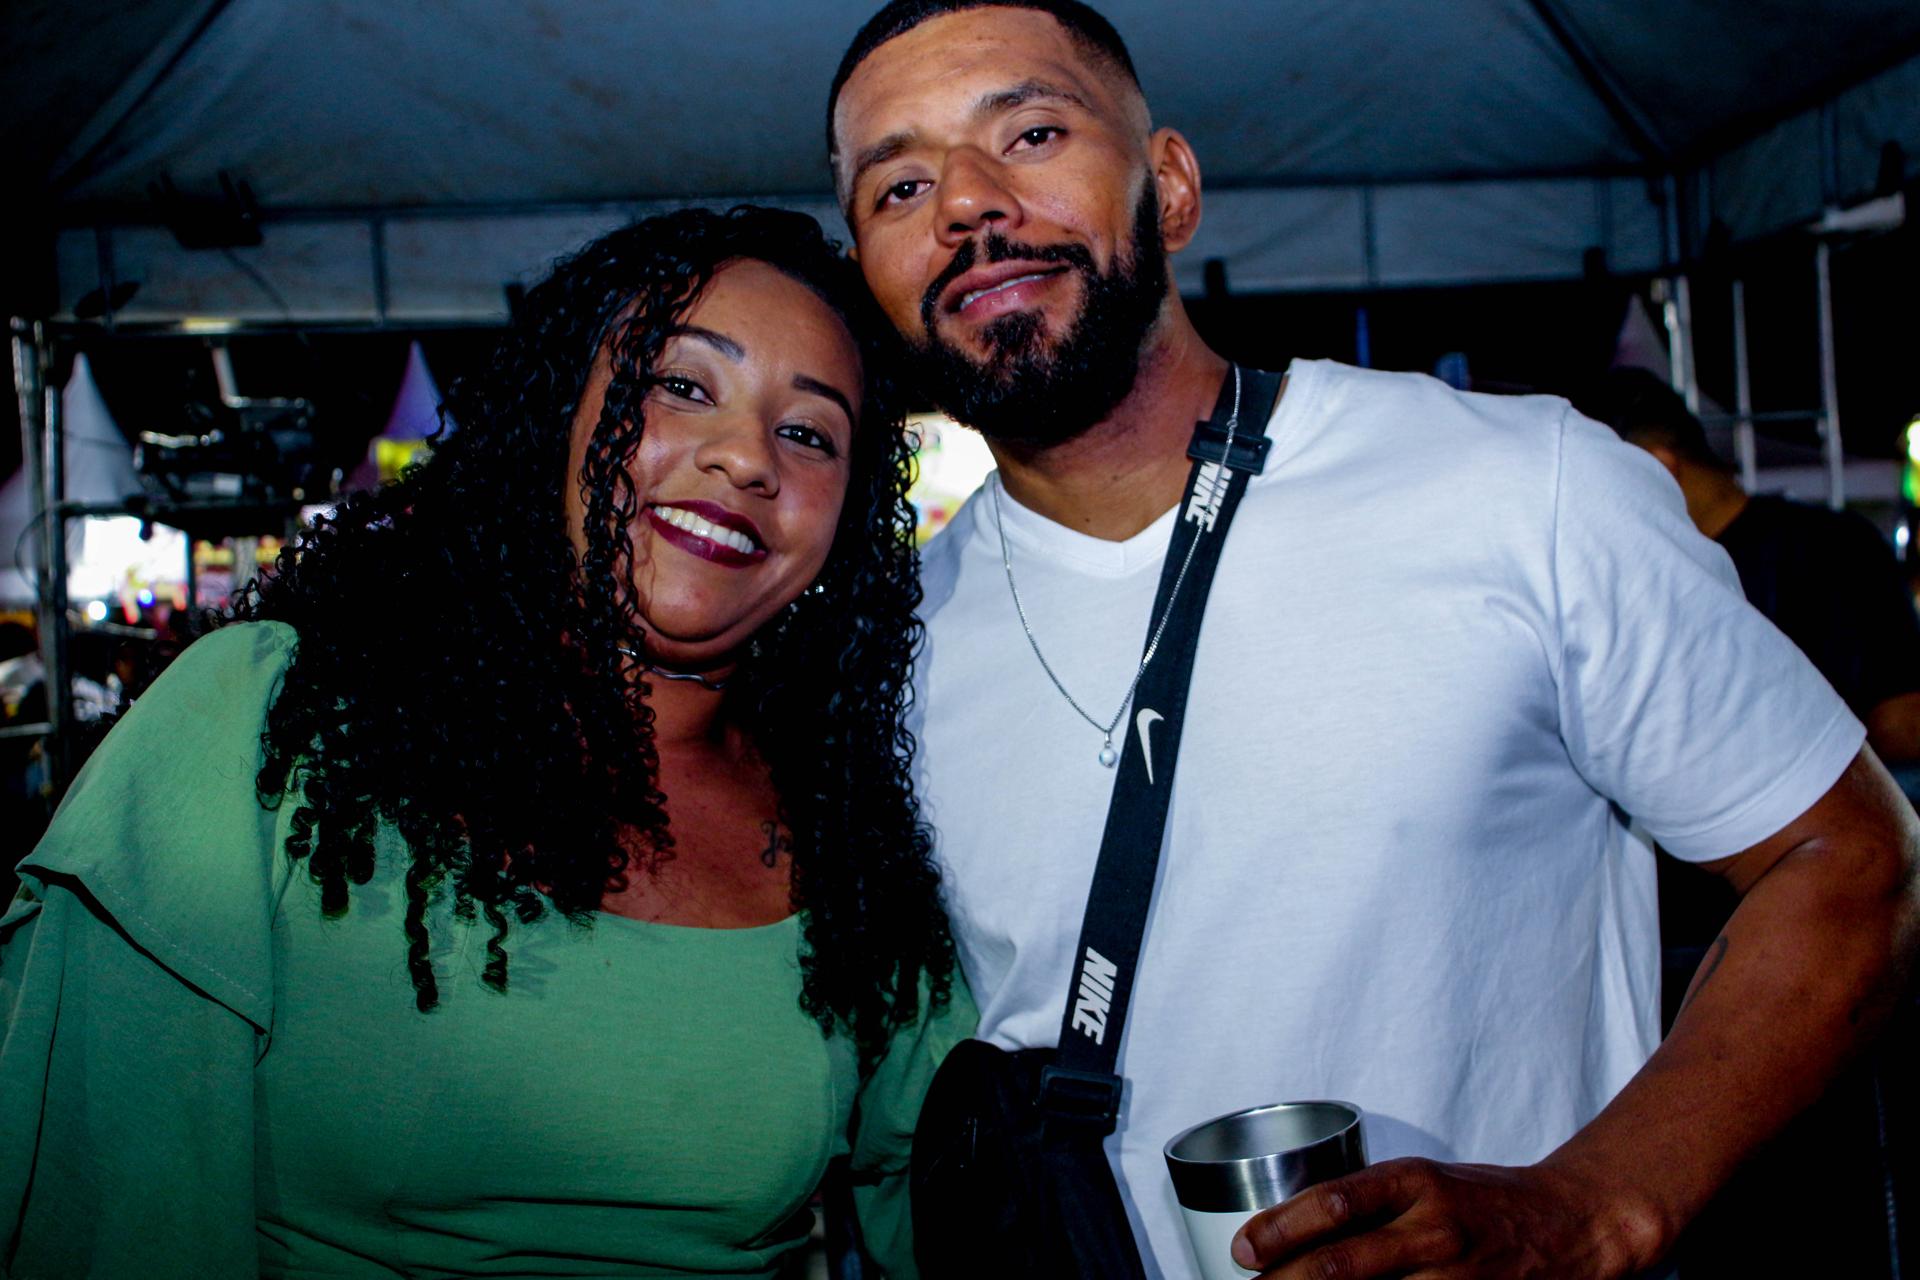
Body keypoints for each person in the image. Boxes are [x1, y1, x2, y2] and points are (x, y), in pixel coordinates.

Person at [824, 4, 1920, 1278]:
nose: (967, 201)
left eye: (1030, 133)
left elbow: (1852, 858)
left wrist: (1602, 1202)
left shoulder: (1521, 486)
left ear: (1169, 187)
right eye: (900, 185)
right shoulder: (886, 650)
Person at [0, 206, 971, 1279]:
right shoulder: (269, 722)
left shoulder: (850, 828)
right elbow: (100, 1211)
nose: (746, 456)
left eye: (810, 433)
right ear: (559, 416)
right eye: (683, 385)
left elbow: (948, 1203)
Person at [1583, 367, 1920, 764]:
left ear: (1660, 466)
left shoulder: (1832, 547)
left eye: (1601, 485)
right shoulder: (1836, 540)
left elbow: (1901, 723)